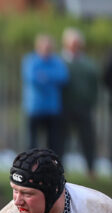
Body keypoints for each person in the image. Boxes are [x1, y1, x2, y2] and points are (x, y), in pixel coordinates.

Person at [60, 28, 99, 178]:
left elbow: (94, 85)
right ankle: (60, 171)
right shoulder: (61, 62)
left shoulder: (87, 64)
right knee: (62, 141)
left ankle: (91, 169)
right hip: (65, 108)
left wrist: (90, 101)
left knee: (88, 139)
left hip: (83, 107)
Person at [22, 34, 69, 152]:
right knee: (32, 142)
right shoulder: (31, 61)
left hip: (52, 108)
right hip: (35, 108)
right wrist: (51, 79)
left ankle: (51, 167)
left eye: (49, 48)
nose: (47, 50)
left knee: (53, 142)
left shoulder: (57, 62)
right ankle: (31, 167)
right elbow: (32, 78)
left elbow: (63, 77)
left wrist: (44, 76)